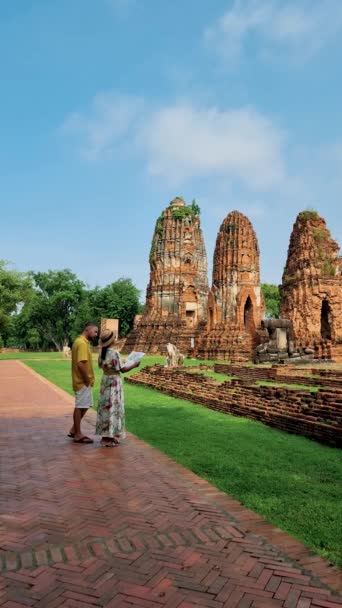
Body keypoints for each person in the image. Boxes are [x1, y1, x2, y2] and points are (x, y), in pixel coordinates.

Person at [96, 329, 140, 447]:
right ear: (111, 340)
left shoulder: (102, 352)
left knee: (105, 407)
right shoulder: (114, 353)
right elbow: (122, 369)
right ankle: (108, 437)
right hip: (114, 382)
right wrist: (134, 364)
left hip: (105, 380)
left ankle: (108, 435)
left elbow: (103, 365)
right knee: (113, 407)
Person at [69, 321, 99, 444]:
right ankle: (77, 434)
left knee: (85, 405)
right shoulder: (81, 343)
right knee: (80, 406)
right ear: (87, 329)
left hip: (82, 381)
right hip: (82, 381)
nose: (96, 334)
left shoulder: (80, 342)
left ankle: (74, 429)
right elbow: (81, 363)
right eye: (95, 331)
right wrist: (87, 379)